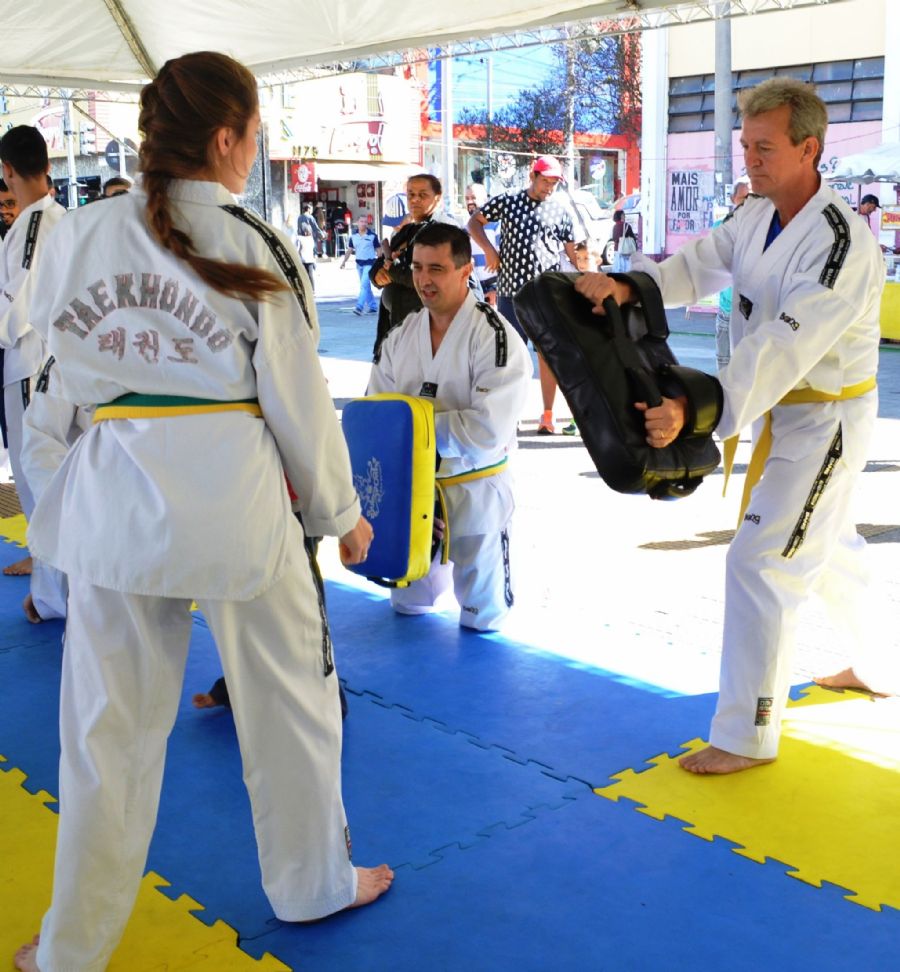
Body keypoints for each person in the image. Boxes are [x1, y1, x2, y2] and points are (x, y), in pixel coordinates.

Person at [12, 50, 392, 972]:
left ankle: (70, 949)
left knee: (103, 739)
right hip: (240, 508)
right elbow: (298, 397)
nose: (253, 151)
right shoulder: (257, 241)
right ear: (226, 138)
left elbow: (52, 374)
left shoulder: (74, 234)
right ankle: (312, 885)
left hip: (115, 502)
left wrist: (66, 481)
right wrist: (341, 513)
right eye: (254, 135)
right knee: (293, 708)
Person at [573, 77, 888, 775]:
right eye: (746, 146)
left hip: (826, 419)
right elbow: (699, 263)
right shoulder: (755, 216)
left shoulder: (841, 242)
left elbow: (785, 342)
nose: (750, 158)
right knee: (828, 543)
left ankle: (748, 732)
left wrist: (699, 409)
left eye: (764, 147)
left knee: (762, 561)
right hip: (780, 407)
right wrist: (633, 285)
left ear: (809, 149)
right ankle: (881, 664)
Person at [367, 222, 531, 631]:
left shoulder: (495, 337)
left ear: (465, 271)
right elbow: (376, 416)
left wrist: (412, 428)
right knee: (408, 608)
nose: (423, 279)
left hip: (476, 492)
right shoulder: (402, 335)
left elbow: (486, 432)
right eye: (417, 267)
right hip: (415, 496)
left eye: (436, 269)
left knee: (483, 622)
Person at [467, 155, 577, 435]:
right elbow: (474, 223)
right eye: (545, 181)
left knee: (547, 355)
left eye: (554, 183)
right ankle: (509, 413)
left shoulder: (560, 211)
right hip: (510, 294)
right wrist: (490, 250)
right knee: (509, 358)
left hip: (546, 297)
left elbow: (572, 252)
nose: (549, 187)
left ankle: (548, 415)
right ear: (533, 176)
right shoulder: (509, 201)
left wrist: (584, 279)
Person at [0, 125, 65, 579]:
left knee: (35, 466)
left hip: (32, 364)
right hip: (43, 362)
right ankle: (48, 566)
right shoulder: (51, 220)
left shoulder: (36, 225)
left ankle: (51, 580)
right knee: (41, 467)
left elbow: (17, 310)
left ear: (7, 170)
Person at [369, 173, 459, 359]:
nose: (415, 200)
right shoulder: (408, 230)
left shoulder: (444, 230)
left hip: (429, 330)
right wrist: (377, 274)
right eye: (411, 194)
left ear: (437, 198)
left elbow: (429, 279)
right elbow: (382, 262)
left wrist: (392, 270)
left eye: (422, 195)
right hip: (399, 327)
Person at [714, 181, 751, 370]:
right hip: (727, 309)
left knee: (744, 366)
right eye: (742, 197)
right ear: (733, 199)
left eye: (749, 197)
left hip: (748, 312)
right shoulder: (721, 226)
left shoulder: (756, 229)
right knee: (724, 364)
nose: (746, 202)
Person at [464, 183, 499, 306]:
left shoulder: (496, 225)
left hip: (493, 289)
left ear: (485, 200)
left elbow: (504, 259)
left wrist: (497, 289)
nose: (470, 202)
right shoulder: (464, 229)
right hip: (473, 288)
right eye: (467, 198)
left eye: (473, 198)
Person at [341, 214, 380, 314]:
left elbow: (379, 250)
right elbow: (349, 250)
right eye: (361, 221)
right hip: (359, 265)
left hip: (369, 263)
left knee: (364, 285)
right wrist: (344, 262)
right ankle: (373, 306)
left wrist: (382, 263)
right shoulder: (353, 237)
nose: (363, 224)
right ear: (357, 223)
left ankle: (359, 306)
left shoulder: (373, 236)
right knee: (366, 286)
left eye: (365, 222)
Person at [611, 209, 637, 274]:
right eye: (624, 215)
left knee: (618, 269)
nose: (625, 216)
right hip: (626, 251)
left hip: (617, 250)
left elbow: (614, 238)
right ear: (621, 216)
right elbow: (633, 237)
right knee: (626, 270)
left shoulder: (614, 226)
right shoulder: (626, 226)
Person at [296, 222, 317, 291]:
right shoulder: (311, 239)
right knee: (310, 275)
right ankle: (312, 289)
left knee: (306, 275)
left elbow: (298, 249)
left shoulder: (301, 239)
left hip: (305, 260)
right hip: (308, 260)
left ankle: (308, 289)